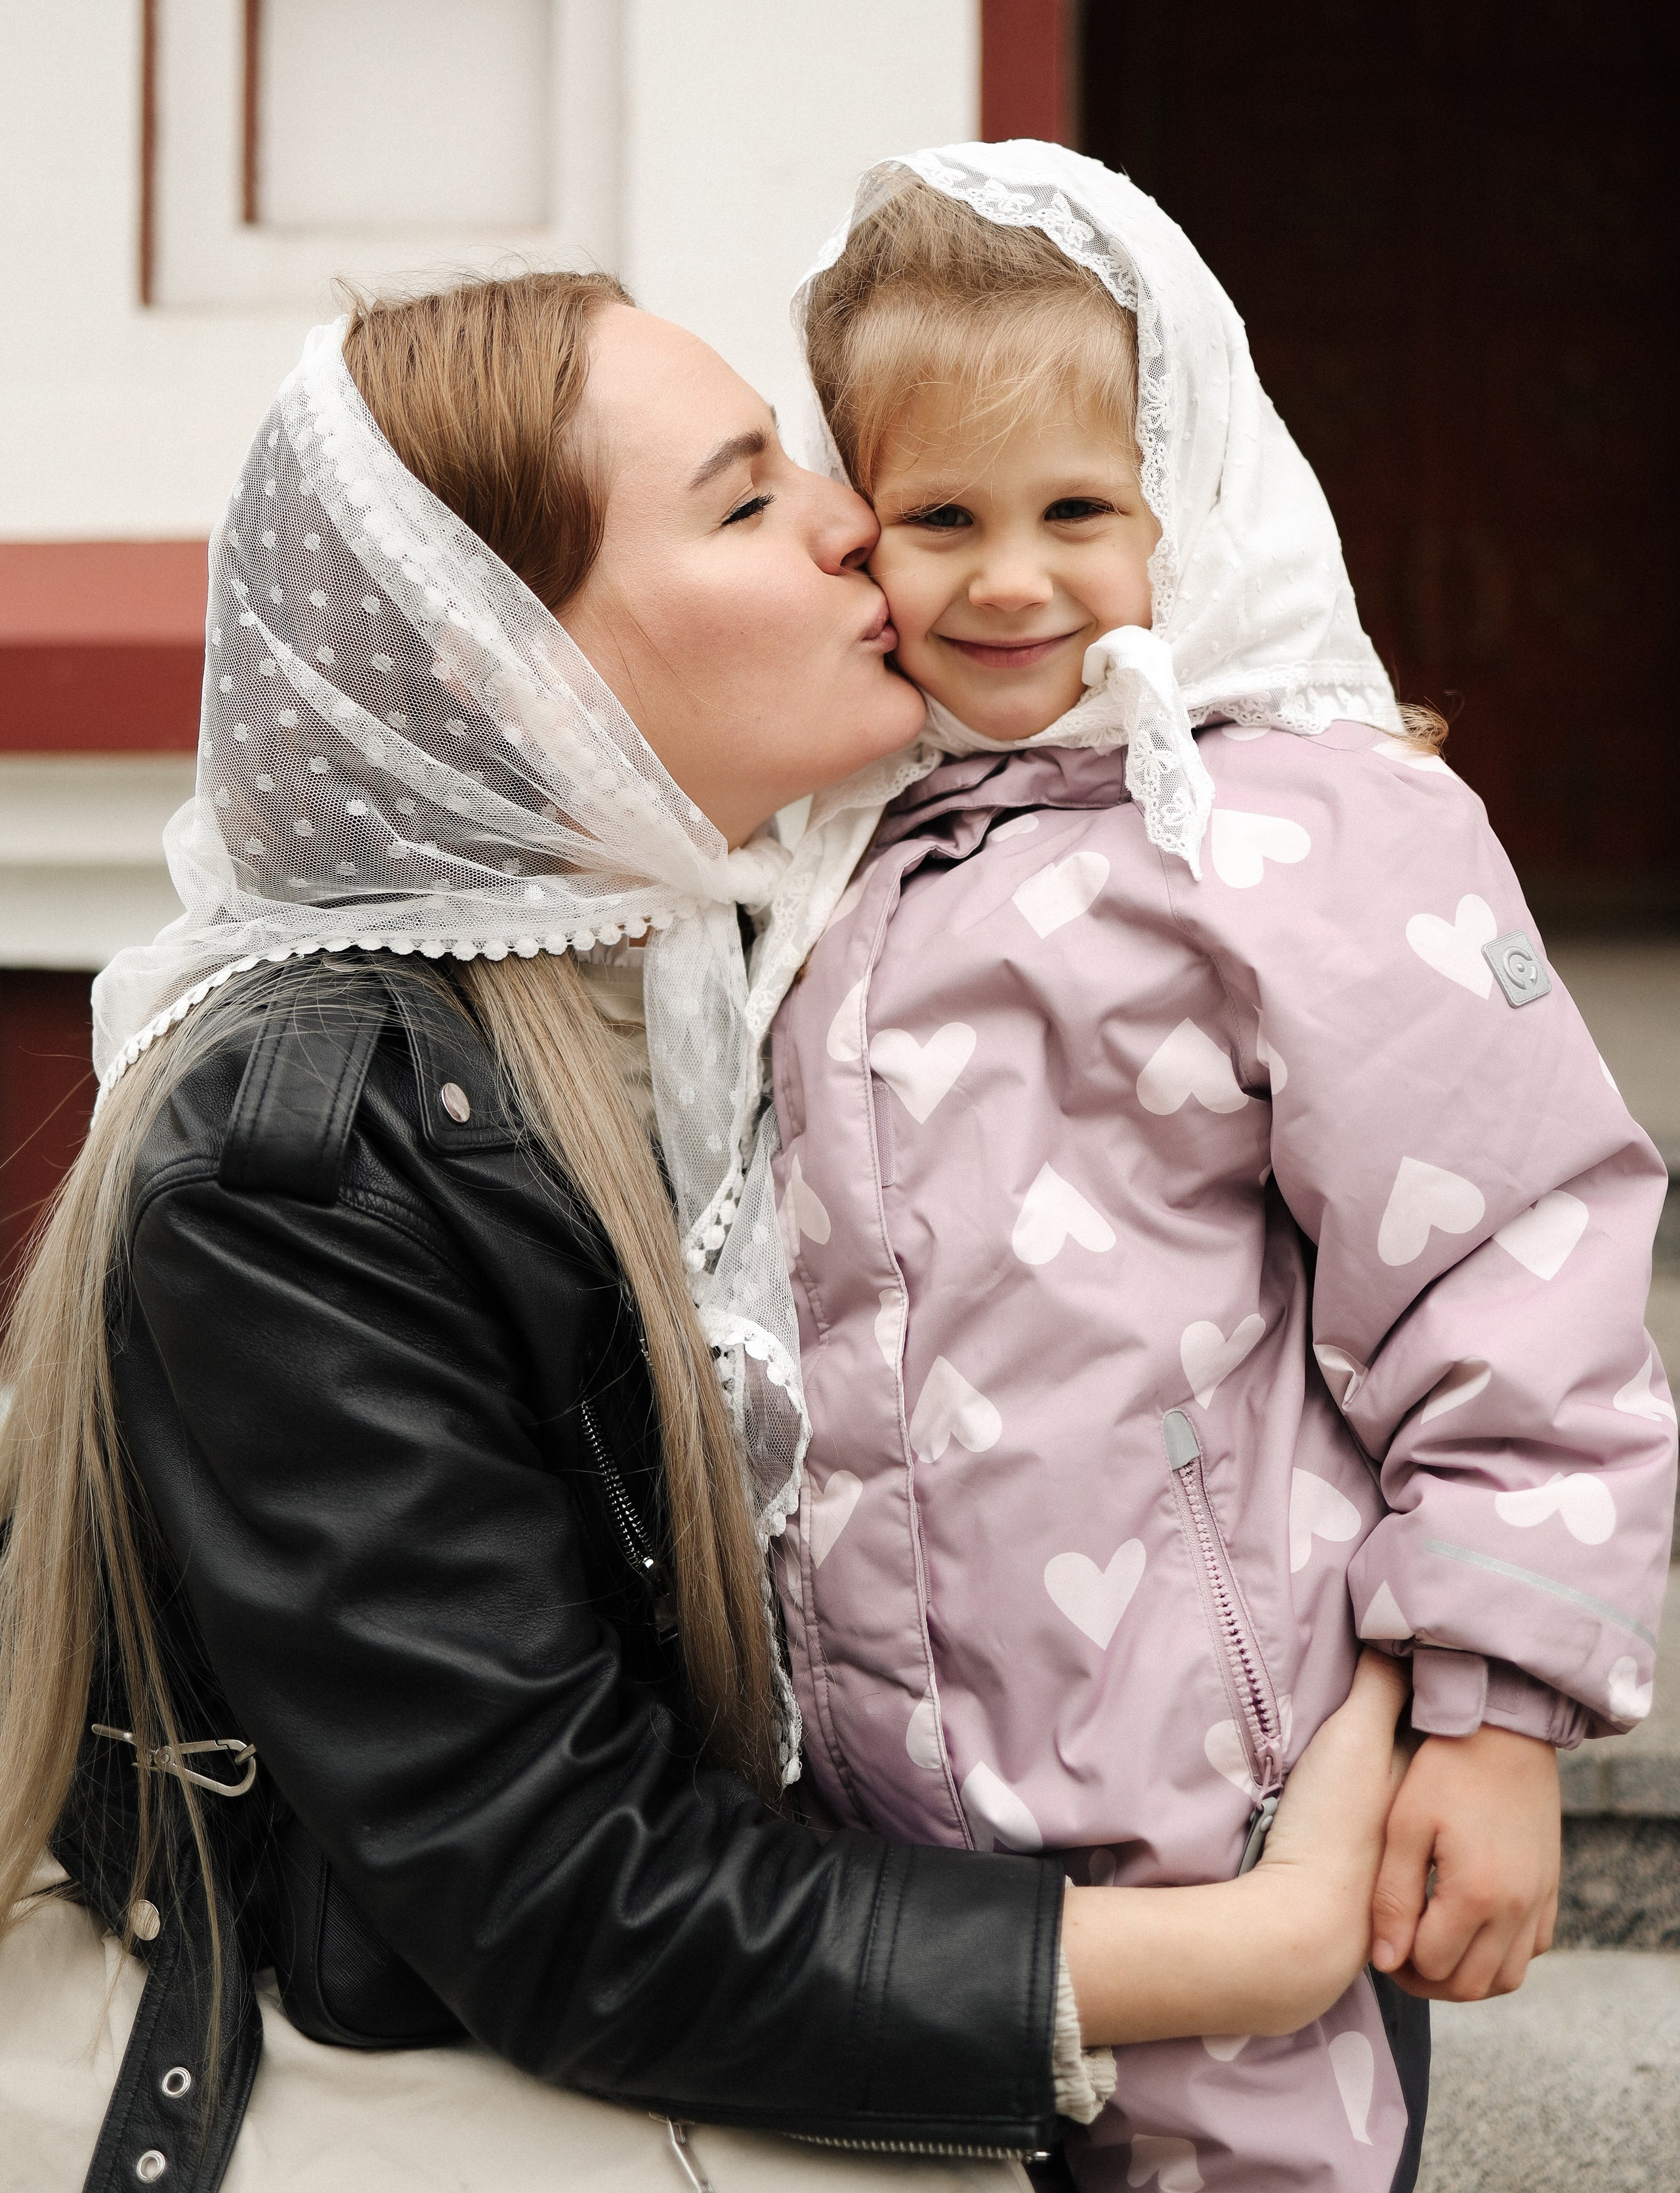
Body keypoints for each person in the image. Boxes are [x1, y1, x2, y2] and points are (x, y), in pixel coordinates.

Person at [0, 271, 1414, 2193]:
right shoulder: (300, 1175)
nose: (858, 518)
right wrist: (1251, 1946)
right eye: (750, 501)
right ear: (521, 670)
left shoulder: (780, 959)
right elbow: (561, 1886)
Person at [770, 144, 1679, 2193]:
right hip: (883, 1814)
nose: (1011, 580)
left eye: (1079, 511)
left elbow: (1510, 1271)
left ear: (1193, 496)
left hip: (1234, 1786)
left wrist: (1495, 1716)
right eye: (940, 519)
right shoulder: (824, 852)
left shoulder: (1306, 837)